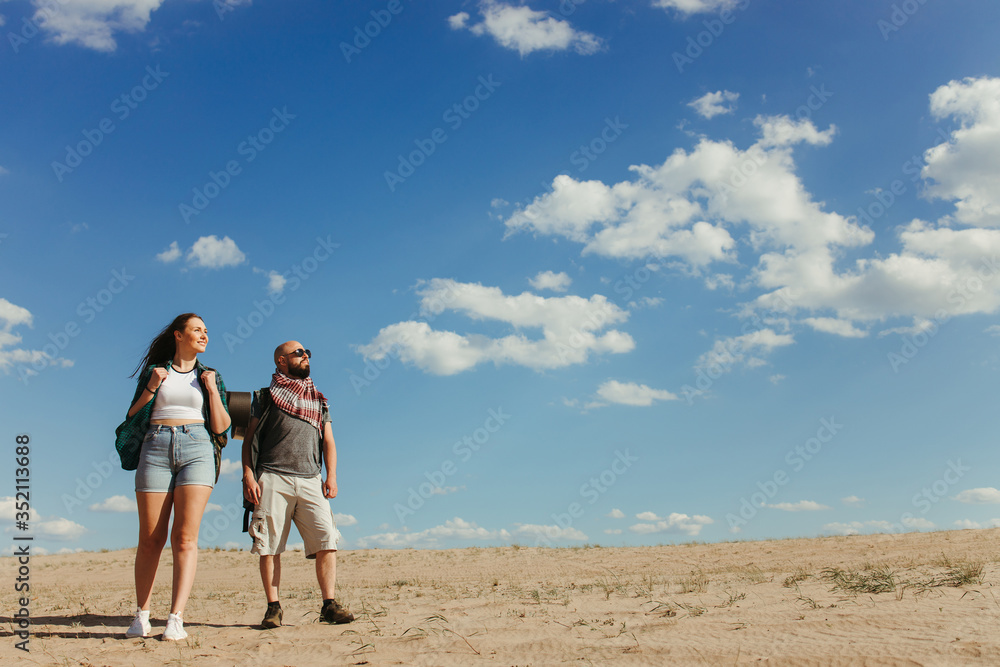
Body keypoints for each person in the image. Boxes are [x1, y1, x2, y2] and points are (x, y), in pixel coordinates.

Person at [123, 313, 231, 641]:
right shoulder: (155, 373)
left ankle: (175, 618)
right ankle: (142, 615)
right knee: (151, 537)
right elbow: (132, 415)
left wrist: (212, 391)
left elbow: (222, 427)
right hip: (155, 446)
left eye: (206, 331)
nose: (204, 335)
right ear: (178, 335)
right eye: (197, 330)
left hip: (197, 447)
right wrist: (152, 387)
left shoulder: (211, 376)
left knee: (184, 538)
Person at [241, 340, 353, 628]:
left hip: (311, 479)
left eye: (307, 353)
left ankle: (329, 605)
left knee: (327, 540)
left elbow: (328, 441)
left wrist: (332, 476)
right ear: (281, 360)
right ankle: (273, 608)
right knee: (269, 546)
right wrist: (248, 475)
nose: (305, 357)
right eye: (298, 353)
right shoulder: (264, 396)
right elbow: (250, 439)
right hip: (272, 477)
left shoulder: (319, 399)